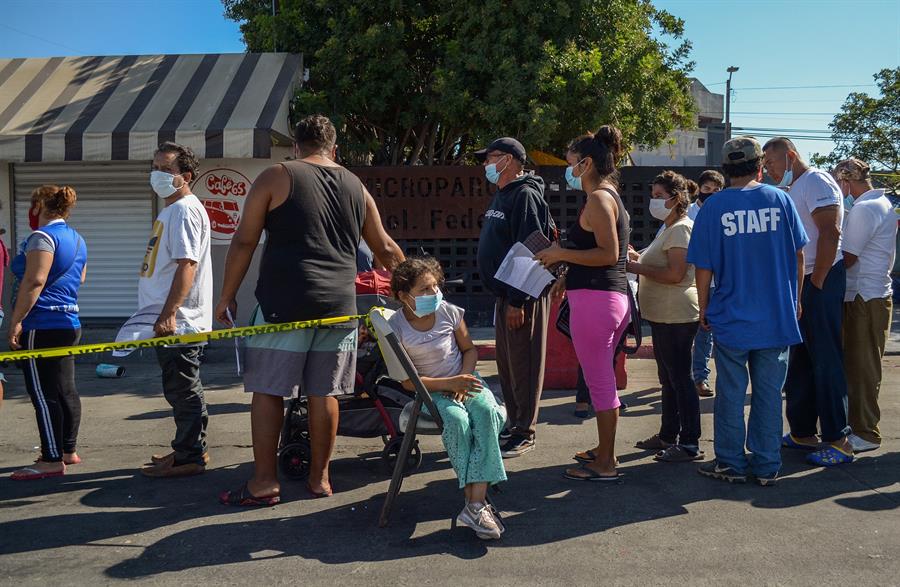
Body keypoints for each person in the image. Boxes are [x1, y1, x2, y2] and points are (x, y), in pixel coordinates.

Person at [216, 114, 404, 505]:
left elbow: (244, 241)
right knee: (326, 393)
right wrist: (417, 294)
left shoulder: (277, 175)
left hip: (284, 304)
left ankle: (264, 483)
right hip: (339, 306)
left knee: (268, 391)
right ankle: (320, 479)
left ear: (296, 147)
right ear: (334, 148)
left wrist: (227, 295)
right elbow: (385, 249)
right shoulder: (356, 185)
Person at [688, 137, 808, 485]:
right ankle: (768, 464)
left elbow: (704, 267)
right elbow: (798, 255)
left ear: (726, 170)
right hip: (776, 315)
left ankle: (730, 462)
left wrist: (704, 309)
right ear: (759, 166)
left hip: (731, 317)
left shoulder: (713, 207)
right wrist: (796, 300)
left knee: (731, 393)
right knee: (770, 394)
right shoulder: (781, 200)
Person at [534, 125, 629, 481]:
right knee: (600, 380)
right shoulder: (609, 196)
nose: (567, 169)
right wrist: (565, 273)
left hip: (597, 302)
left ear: (586, 163)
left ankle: (606, 463)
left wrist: (560, 252)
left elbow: (608, 254)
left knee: (600, 383)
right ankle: (605, 452)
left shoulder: (600, 199)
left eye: (571, 163)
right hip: (603, 299)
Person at [388, 257, 506, 540]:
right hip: (432, 393)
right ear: (404, 296)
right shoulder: (396, 326)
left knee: (488, 414)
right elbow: (407, 381)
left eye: (434, 287)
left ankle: (474, 504)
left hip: (465, 380)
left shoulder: (449, 312)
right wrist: (449, 384)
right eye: (424, 289)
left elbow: (469, 351)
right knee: (456, 421)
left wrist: (463, 380)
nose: (433, 294)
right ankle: (475, 501)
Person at [763, 137, 853, 466]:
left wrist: (816, 283)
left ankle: (839, 439)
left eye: (771, 164)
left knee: (826, 359)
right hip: (803, 282)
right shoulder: (794, 187)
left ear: (789, 156)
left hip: (821, 279)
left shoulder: (815, 180)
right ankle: (803, 432)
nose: (769, 171)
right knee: (799, 360)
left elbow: (830, 233)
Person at [136, 143, 213, 478]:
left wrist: (169, 313)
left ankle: (190, 456)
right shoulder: (173, 210)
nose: (157, 174)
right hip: (170, 320)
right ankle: (186, 449)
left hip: (179, 323)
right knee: (178, 388)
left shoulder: (183, 210)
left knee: (183, 388)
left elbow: (187, 266)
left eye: (166, 170)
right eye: (155, 167)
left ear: (186, 177)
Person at [475, 137, 553, 458]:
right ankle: (513, 424)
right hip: (504, 294)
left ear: (509, 160)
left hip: (522, 295)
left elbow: (532, 249)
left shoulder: (525, 196)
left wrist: (518, 301)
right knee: (507, 365)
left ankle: (525, 430)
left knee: (524, 363)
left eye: (490, 157)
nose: (486, 164)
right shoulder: (502, 194)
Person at [8, 185, 87, 480]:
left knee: (42, 394)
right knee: (65, 389)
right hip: (69, 323)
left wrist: (17, 320)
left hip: (41, 324)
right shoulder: (77, 238)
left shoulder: (42, 238)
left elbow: (34, 281)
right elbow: (80, 277)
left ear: (40, 206)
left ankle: (51, 459)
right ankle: (67, 450)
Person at [628, 171, 702, 463]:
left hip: (677, 315)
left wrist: (636, 269)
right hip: (662, 315)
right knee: (668, 378)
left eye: (660, 196)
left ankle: (690, 442)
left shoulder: (681, 229)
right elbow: (657, 261)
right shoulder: (667, 228)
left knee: (681, 378)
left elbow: (675, 274)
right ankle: (668, 434)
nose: (654, 201)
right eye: (653, 195)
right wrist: (638, 258)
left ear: (677, 198)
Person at [834, 158, 897, 453]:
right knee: (860, 367)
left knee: (862, 369)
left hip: (864, 297)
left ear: (846, 182)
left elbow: (848, 257)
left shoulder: (863, 208)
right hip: (870, 295)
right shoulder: (879, 203)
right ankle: (859, 426)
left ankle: (866, 433)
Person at [691, 170, 725, 397]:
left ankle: (700, 378)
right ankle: (679, 379)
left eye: (716, 191)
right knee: (685, 334)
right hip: (688, 283)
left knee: (706, 333)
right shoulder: (687, 214)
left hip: (715, 283)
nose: (711, 195)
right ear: (699, 189)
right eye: (706, 190)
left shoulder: (724, 214)